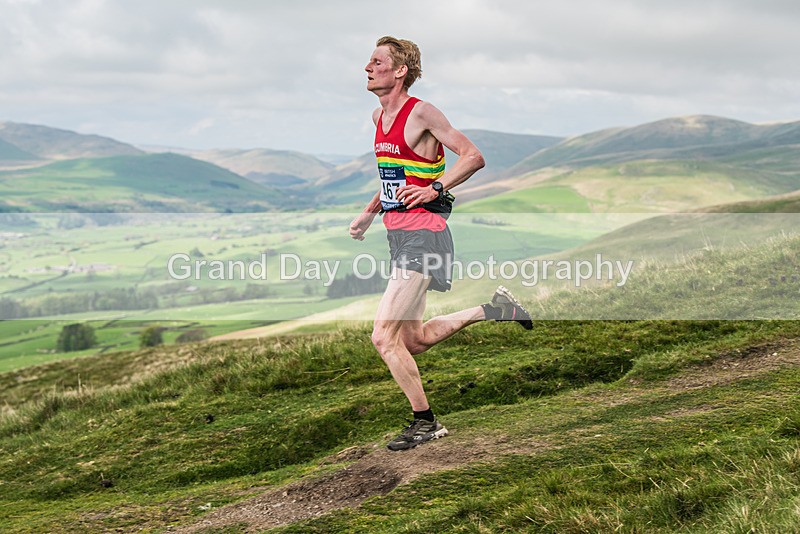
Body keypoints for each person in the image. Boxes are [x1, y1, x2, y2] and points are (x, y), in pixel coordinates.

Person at [349, 36, 533, 452]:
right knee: (413, 340)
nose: (367, 68)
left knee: (383, 337)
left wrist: (436, 187)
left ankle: (426, 422)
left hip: (425, 235)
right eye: (369, 61)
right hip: (399, 234)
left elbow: (472, 156)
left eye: (376, 61)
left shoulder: (422, 112)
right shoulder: (379, 117)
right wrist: (370, 211)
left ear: (400, 71)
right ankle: (495, 309)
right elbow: (394, 176)